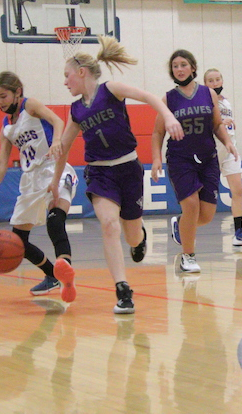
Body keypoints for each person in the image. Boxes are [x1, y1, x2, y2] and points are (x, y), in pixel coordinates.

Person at [51, 36, 184, 314]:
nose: (65, 82)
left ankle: (140, 237)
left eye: (67, 75)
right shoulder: (76, 111)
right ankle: (123, 290)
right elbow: (63, 149)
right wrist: (55, 182)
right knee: (109, 225)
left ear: (81, 72)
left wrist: (169, 117)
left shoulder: (110, 89)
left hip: (128, 168)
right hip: (100, 173)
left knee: (132, 236)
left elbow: (148, 97)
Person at [0, 71, 80, 303]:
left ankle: (66, 272)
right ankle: (51, 274)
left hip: (54, 168)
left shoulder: (31, 105)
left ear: (17, 92)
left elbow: (58, 121)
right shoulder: (6, 127)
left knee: (55, 220)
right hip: (30, 179)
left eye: (3, 96)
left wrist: (57, 141)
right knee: (18, 241)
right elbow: (2, 164)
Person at [151, 49, 238, 275]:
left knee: (206, 215)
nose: (179, 69)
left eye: (183, 64)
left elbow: (217, 124)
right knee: (191, 205)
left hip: (207, 158)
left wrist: (228, 142)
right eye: (175, 66)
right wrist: (156, 158)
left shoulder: (208, 94)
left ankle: (181, 224)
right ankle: (188, 257)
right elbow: (158, 132)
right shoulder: (168, 99)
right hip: (180, 159)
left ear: (193, 67)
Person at [203, 68, 242, 246]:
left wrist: (231, 127)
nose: (215, 83)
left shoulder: (226, 102)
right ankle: (182, 223)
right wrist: (219, 123)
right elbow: (206, 124)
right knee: (202, 196)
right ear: (205, 84)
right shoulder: (205, 102)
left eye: (217, 79)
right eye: (211, 80)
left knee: (238, 190)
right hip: (212, 150)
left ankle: (239, 233)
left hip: (229, 150)